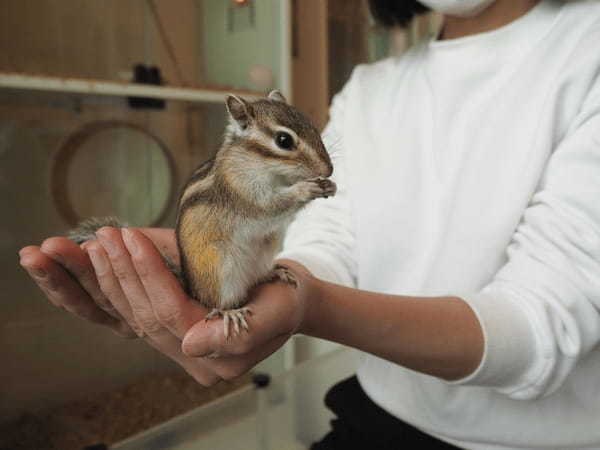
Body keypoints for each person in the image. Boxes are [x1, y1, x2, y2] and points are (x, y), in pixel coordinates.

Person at [19, 0, 600, 448]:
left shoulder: (585, 44)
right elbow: (330, 239)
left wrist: (310, 306)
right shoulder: (372, 85)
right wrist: (266, 273)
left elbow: (541, 326)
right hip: (375, 416)